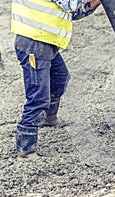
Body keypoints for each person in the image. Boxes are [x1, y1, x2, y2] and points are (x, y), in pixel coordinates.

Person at [11, 0, 101, 157]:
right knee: (38, 96)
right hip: (34, 42)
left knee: (60, 78)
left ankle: (49, 118)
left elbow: (74, 13)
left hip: (45, 41)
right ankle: (26, 148)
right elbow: (72, 5)